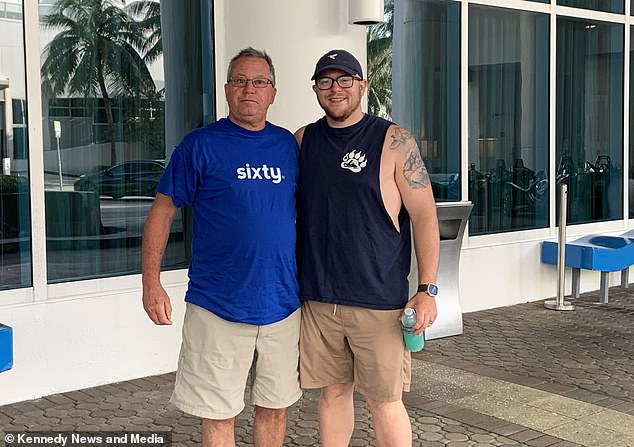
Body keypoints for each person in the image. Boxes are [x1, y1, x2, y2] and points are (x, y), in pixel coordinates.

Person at [142, 47, 301, 447]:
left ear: (273, 93)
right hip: (217, 306)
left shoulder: (288, 147)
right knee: (218, 414)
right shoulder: (200, 145)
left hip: (283, 305)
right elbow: (162, 212)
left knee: (275, 408)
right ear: (227, 90)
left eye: (259, 82)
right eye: (240, 81)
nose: (250, 89)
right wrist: (151, 283)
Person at [296, 49, 440, 447]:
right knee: (333, 392)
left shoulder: (394, 140)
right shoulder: (303, 140)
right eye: (325, 81)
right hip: (320, 299)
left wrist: (427, 290)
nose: (335, 89)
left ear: (363, 86)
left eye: (345, 80)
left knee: (384, 400)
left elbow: (426, 217)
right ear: (315, 89)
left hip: (379, 302)